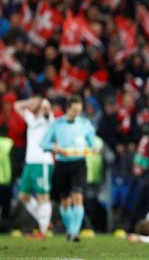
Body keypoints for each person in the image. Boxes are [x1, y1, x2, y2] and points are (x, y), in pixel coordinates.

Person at [41, 95, 96, 242]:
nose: (77, 114)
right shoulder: (57, 124)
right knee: (65, 201)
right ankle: (70, 230)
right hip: (62, 163)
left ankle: (74, 232)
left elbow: (92, 142)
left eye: (79, 111)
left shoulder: (85, 123)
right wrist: (55, 148)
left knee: (78, 196)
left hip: (79, 163)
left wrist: (93, 147)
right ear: (68, 109)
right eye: (74, 111)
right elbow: (44, 143)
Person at [14, 97, 54, 239]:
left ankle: (42, 231)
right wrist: (30, 101)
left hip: (42, 162)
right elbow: (16, 105)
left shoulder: (48, 119)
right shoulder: (31, 119)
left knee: (42, 196)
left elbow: (47, 109)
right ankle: (44, 219)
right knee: (23, 196)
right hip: (30, 162)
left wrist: (44, 104)